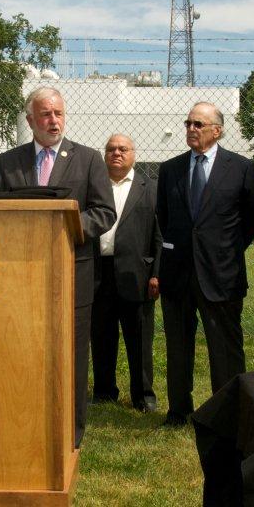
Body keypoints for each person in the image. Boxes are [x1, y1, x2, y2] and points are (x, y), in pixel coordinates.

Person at [0, 87, 116, 446]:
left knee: (72, 355)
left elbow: (105, 212)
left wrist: (68, 229)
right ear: (30, 120)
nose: (53, 120)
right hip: (21, 276)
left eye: (58, 113)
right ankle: (25, 424)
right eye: (45, 114)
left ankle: (70, 431)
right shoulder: (8, 162)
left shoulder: (88, 159)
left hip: (73, 273)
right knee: (23, 351)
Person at [156, 102, 254, 426]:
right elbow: (165, 215)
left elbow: (250, 219)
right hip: (178, 274)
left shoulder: (241, 168)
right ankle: (178, 411)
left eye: (198, 124)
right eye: (188, 123)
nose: (191, 129)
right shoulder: (170, 169)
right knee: (178, 346)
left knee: (226, 349)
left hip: (221, 274)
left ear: (217, 130)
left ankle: (228, 412)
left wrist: (223, 251)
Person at [90, 134, 163, 412]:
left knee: (140, 337)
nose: (117, 153)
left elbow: (159, 235)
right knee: (101, 334)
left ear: (134, 154)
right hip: (99, 272)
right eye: (111, 149)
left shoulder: (150, 188)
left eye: (123, 149)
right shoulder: (93, 187)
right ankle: (104, 390)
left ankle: (143, 395)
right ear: (104, 154)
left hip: (138, 274)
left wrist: (157, 273)